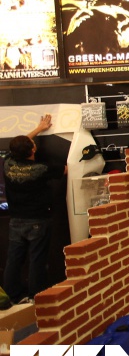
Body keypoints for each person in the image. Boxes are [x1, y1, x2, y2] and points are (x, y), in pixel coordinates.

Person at [3, 114, 66, 304]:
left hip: (16, 220)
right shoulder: (40, 168)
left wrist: (38, 129)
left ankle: (12, 296)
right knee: (37, 259)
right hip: (38, 219)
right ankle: (35, 296)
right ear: (33, 149)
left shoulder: (8, 164)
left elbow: (18, 147)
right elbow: (65, 170)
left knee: (14, 260)